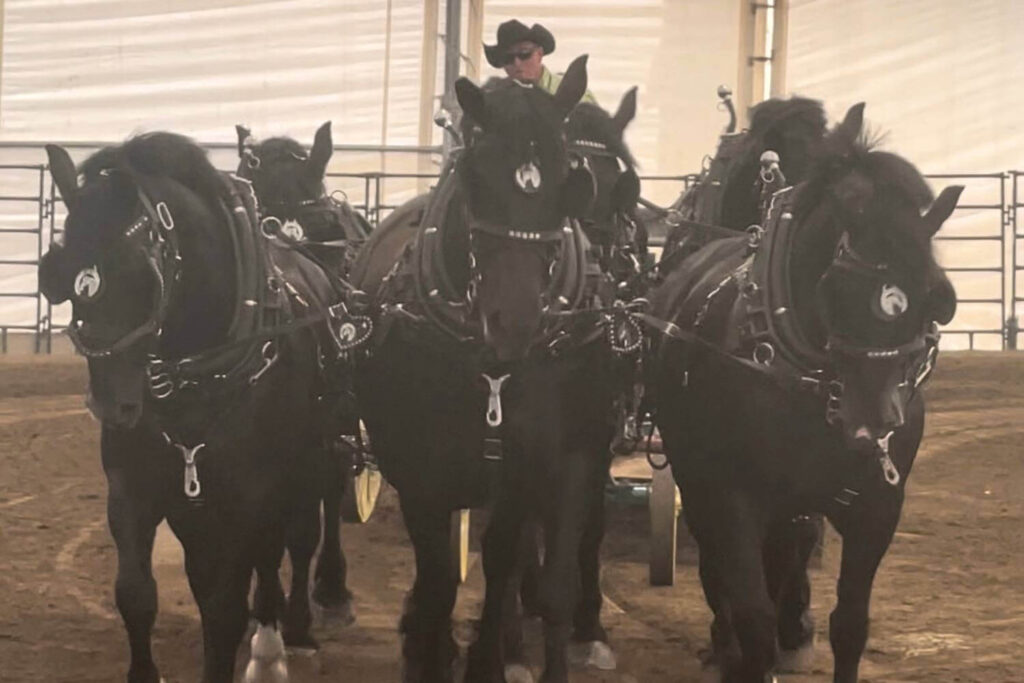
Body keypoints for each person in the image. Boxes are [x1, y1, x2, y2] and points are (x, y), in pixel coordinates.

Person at [484, 19, 597, 103]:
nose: (517, 63)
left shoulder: (573, 92)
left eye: (524, 53)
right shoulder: (495, 98)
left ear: (539, 54)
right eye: (508, 58)